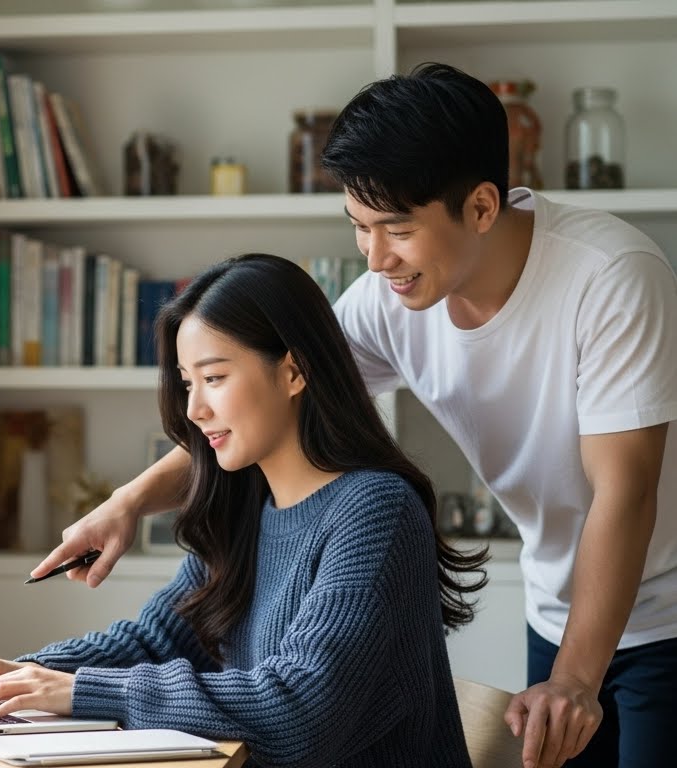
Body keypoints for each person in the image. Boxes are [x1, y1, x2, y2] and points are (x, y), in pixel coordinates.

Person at [33, 64, 677, 768]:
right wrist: (127, 504)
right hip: (559, 600)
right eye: (359, 228)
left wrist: (576, 679)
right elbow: (263, 401)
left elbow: (624, 490)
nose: (374, 259)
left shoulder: (609, 278)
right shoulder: (390, 298)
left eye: (395, 229)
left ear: (482, 207)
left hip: (666, 608)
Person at [0, 254, 484, 767]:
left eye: (215, 378)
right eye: (188, 382)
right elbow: (156, 641)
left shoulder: (375, 512)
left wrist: (74, 691)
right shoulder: (242, 502)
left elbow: (297, 713)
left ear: (294, 372)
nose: (195, 409)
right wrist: (23, 674)